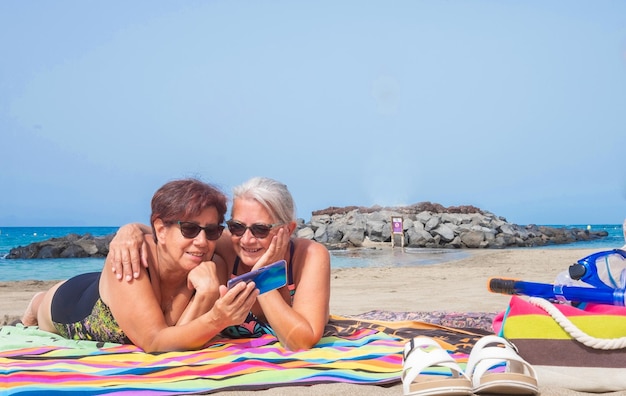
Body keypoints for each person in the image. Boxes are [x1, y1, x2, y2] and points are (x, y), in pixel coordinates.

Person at [21, 178, 259, 352]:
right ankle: (36, 302)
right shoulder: (132, 258)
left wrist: (206, 295)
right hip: (70, 303)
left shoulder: (210, 262)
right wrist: (218, 318)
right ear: (160, 229)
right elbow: (155, 342)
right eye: (189, 229)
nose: (202, 241)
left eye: (212, 230)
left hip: (117, 289)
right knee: (44, 308)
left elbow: (176, 337)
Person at [109, 177, 331, 351]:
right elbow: (175, 232)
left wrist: (262, 277)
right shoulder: (225, 245)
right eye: (236, 227)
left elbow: (301, 342)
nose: (246, 239)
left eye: (261, 229)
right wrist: (130, 230)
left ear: (288, 230)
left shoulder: (308, 256)